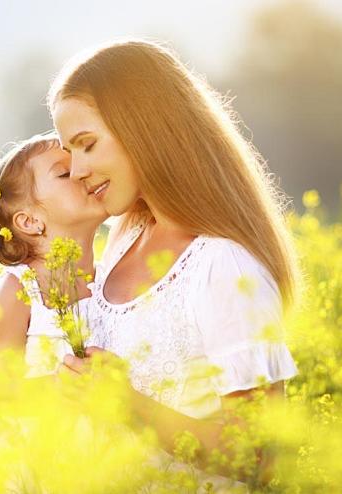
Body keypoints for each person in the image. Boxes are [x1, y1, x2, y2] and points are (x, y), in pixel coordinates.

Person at [49, 38, 303, 490]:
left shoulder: (224, 264)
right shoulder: (123, 239)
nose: (78, 170)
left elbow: (260, 459)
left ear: (144, 126)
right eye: (69, 154)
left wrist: (128, 405)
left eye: (87, 145)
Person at [0, 132, 108, 492]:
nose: (85, 173)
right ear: (30, 222)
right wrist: (57, 386)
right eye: (65, 174)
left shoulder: (111, 278)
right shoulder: (18, 291)